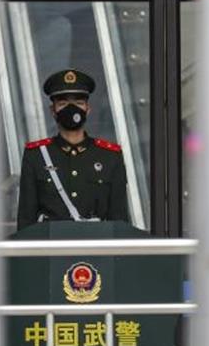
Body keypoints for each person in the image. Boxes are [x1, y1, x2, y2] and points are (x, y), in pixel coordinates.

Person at [16, 69, 130, 231]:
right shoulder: (36, 155)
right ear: (53, 111)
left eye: (78, 103)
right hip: (50, 248)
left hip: (96, 246)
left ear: (87, 109)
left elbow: (119, 218)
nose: (71, 109)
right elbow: (26, 218)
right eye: (62, 104)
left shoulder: (110, 156)